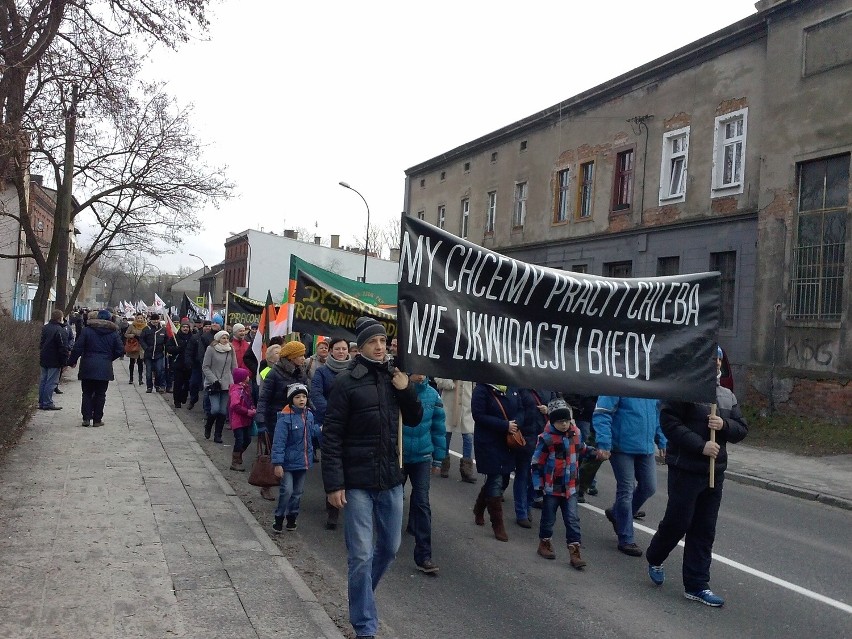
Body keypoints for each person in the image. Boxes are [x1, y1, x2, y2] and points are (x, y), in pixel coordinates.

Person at [321, 317, 423, 639]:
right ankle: (365, 626)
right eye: (372, 342)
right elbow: (332, 435)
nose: (379, 347)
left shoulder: (396, 377)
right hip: (358, 483)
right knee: (361, 555)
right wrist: (334, 484)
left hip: (391, 478)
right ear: (360, 347)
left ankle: (361, 594)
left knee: (390, 549)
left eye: (383, 341)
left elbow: (416, 418)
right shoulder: (347, 382)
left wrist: (406, 390)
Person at [646, 346, 748, 607]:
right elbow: (669, 424)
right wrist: (700, 445)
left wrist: (724, 425)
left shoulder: (726, 396)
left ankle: (697, 585)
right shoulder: (683, 389)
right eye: (710, 358)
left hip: (715, 472)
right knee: (678, 522)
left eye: (719, 359)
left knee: (704, 529)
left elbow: (741, 429)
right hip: (686, 469)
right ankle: (655, 555)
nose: (715, 363)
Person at [594, 396, 667, 557]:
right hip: (621, 447)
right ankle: (626, 538)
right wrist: (604, 443)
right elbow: (602, 412)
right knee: (626, 490)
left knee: (649, 487)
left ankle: (616, 514)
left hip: (645, 447)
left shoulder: (650, 385)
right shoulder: (617, 381)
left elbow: (656, 414)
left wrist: (661, 439)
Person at [531, 398, 595, 569]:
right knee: (548, 518)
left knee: (572, 519)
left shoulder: (575, 433)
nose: (565, 424)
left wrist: (594, 452)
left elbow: (580, 448)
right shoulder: (546, 439)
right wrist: (538, 486)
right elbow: (537, 463)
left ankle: (575, 551)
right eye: (560, 421)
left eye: (566, 421)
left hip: (571, 487)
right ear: (552, 421)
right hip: (552, 488)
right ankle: (544, 543)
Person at [402, 374, 447, 574]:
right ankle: (385, 546)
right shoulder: (397, 391)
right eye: (415, 370)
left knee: (422, 502)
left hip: (422, 456)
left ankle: (424, 555)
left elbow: (438, 428)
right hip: (399, 455)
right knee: (390, 500)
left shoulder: (433, 395)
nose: (419, 375)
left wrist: (438, 458)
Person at [470, 383, 524, 542]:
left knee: (503, 478)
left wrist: (516, 424)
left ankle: (479, 507)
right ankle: (497, 524)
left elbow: (521, 409)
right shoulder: (482, 389)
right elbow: (478, 415)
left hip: (507, 442)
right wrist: (504, 425)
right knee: (496, 479)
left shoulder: (512, 388)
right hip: (489, 442)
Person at [310, 336, 350, 529]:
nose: (341, 352)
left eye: (344, 349)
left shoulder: (354, 372)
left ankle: (347, 502)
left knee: (348, 465)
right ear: (331, 351)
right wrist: (333, 412)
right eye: (338, 349)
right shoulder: (322, 372)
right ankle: (332, 509)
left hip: (351, 425)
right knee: (332, 464)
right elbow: (316, 394)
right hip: (328, 423)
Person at [271, 383, 320, 532]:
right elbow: (278, 442)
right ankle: (279, 517)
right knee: (287, 490)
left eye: (304, 397)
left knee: (298, 493)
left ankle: (292, 517)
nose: (301, 400)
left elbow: (312, 433)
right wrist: (278, 463)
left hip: (302, 462)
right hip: (287, 463)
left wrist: (323, 429)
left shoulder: (309, 415)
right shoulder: (284, 419)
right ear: (291, 399)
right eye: (298, 397)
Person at [67, 310, 125, 427]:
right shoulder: (113, 333)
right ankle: (97, 420)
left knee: (87, 393)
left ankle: (86, 418)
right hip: (104, 367)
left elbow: (78, 347)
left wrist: (72, 361)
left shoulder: (87, 331)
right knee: (100, 394)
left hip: (88, 365)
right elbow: (120, 350)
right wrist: (108, 358)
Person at [256, 340, 309, 442]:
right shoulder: (274, 373)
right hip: (277, 418)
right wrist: (261, 420)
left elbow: (307, 394)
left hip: (297, 416)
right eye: (300, 355)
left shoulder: (301, 372)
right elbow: (264, 398)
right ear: (291, 357)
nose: (304, 358)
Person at [515, 388, 552, 528]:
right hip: (525, 436)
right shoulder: (521, 386)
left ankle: (528, 504)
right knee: (523, 474)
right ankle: (521, 512)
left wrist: (548, 409)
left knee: (536, 476)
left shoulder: (548, 387)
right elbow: (515, 408)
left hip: (543, 438)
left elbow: (558, 406)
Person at [433, 378, 477, 483]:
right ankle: (444, 464)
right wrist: (449, 383)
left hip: (466, 405)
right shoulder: (448, 362)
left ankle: (466, 470)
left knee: (468, 436)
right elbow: (438, 377)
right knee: (446, 435)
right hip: (449, 404)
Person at [202, 330, 237, 443]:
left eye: (227, 338)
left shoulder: (230, 349)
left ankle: (218, 435)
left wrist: (235, 382)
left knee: (222, 411)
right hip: (214, 384)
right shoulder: (211, 349)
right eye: (223, 338)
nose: (226, 340)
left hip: (227, 384)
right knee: (215, 409)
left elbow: (234, 366)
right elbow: (205, 367)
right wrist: (213, 380)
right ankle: (208, 426)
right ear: (218, 339)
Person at [38, 309, 69, 410]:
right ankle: (47, 402)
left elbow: (41, 343)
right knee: (51, 382)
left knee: (43, 381)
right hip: (54, 360)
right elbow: (63, 348)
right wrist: (64, 362)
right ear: (60, 318)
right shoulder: (60, 330)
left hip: (44, 357)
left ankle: (42, 402)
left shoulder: (45, 328)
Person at [227, 367, 256, 471]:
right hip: (238, 420)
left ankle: (238, 456)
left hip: (246, 420)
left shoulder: (245, 388)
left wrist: (252, 408)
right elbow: (235, 406)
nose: (248, 377)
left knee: (247, 439)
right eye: (246, 376)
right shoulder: (236, 391)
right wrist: (247, 411)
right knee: (240, 440)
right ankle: (235, 461)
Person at [166, 319, 193, 408]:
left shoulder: (192, 338)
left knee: (187, 383)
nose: (185, 329)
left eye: (187, 327)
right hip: (178, 363)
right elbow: (169, 348)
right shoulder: (175, 337)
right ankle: (177, 400)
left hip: (189, 364)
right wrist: (177, 349)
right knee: (178, 383)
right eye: (184, 327)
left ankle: (184, 396)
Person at [141, 313, 167, 393]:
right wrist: (146, 348)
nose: (156, 321)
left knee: (159, 370)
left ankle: (157, 385)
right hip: (149, 354)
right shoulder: (146, 329)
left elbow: (166, 341)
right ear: (151, 320)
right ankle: (149, 387)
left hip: (159, 354)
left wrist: (166, 349)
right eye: (154, 320)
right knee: (149, 372)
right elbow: (142, 339)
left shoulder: (163, 330)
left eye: (157, 319)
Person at [124, 312, 147, 386]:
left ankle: (140, 379)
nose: (140, 320)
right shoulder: (132, 326)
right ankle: (131, 378)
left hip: (141, 347)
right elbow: (126, 334)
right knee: (132, 362)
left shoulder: (145, 326)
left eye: (141, 318)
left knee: (140, 363)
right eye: (138, 318)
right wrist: (132, 335)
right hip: (133, 346)